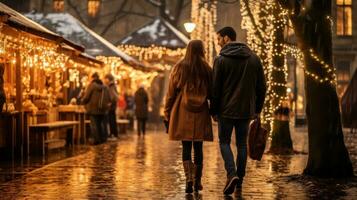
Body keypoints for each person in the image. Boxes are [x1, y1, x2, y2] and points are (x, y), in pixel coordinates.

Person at [211, 27, 267, 195]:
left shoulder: (220, 60)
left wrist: (213, 110)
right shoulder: (254, 59)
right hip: (245, 110)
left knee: (224, 142)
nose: (218, 42)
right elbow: (262, 87)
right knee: (242, 144)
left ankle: (231, 174)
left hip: (225, 110)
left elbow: (215, 89)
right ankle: (240, 179)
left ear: (227, 38)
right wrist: (257, 108)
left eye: (219, 39)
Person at [164, 40, 213, 194]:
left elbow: (171, 93)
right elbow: (213, 93)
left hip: (182, 111)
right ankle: (198, 181)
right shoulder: (207, 69)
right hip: (201, 112)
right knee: (198, 147)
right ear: (202, 51)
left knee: (186, 146)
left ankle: (188, 179)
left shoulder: (179, 68)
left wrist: (167, 112)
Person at [81, 72, 111, 145]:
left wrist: (82, 102)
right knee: (100, 124)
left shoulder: (91, 86)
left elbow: (86, 97)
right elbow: (109, 98)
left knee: (94, 125)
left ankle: (96, 140)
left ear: (93, 78)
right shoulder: (105, 87)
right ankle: (102, 138)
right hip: (102, 109)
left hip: (93, 108)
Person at [104, 73, 119, 140]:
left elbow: (113, 96)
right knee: (112, 120)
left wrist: (110, 103)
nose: (104, 80)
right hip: (113, 106)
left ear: (108, 79)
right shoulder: (113, 86)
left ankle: (113, 134)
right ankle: (114, 134)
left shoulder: (111, 86)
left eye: (105, 78)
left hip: (111, 106)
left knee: (111, 120)